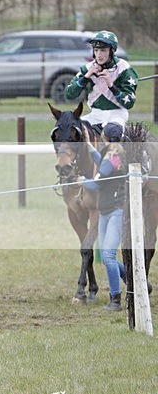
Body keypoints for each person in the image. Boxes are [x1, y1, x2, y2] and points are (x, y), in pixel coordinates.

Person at [82, 123, 126, 311]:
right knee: (110, 257)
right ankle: (133, 279)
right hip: (105, 211)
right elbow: (102, 163)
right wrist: (89, 146)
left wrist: (82, 181)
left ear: (104, 136)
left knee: (108, 255)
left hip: (115, 212)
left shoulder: (114, 156)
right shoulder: (111, 152)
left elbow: (98, 183)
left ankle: (115, 299)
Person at [65, 30, 138, 132]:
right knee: (70, 130)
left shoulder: (124, 69)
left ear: (112, 51)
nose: (99, 55)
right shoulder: (88, 68)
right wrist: (85, 78)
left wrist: (111, 85)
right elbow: (69, 95)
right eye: (96, 50)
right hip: (95, 115)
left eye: (103, 50)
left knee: (110, 132)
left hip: (117, 115)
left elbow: (129, 103)